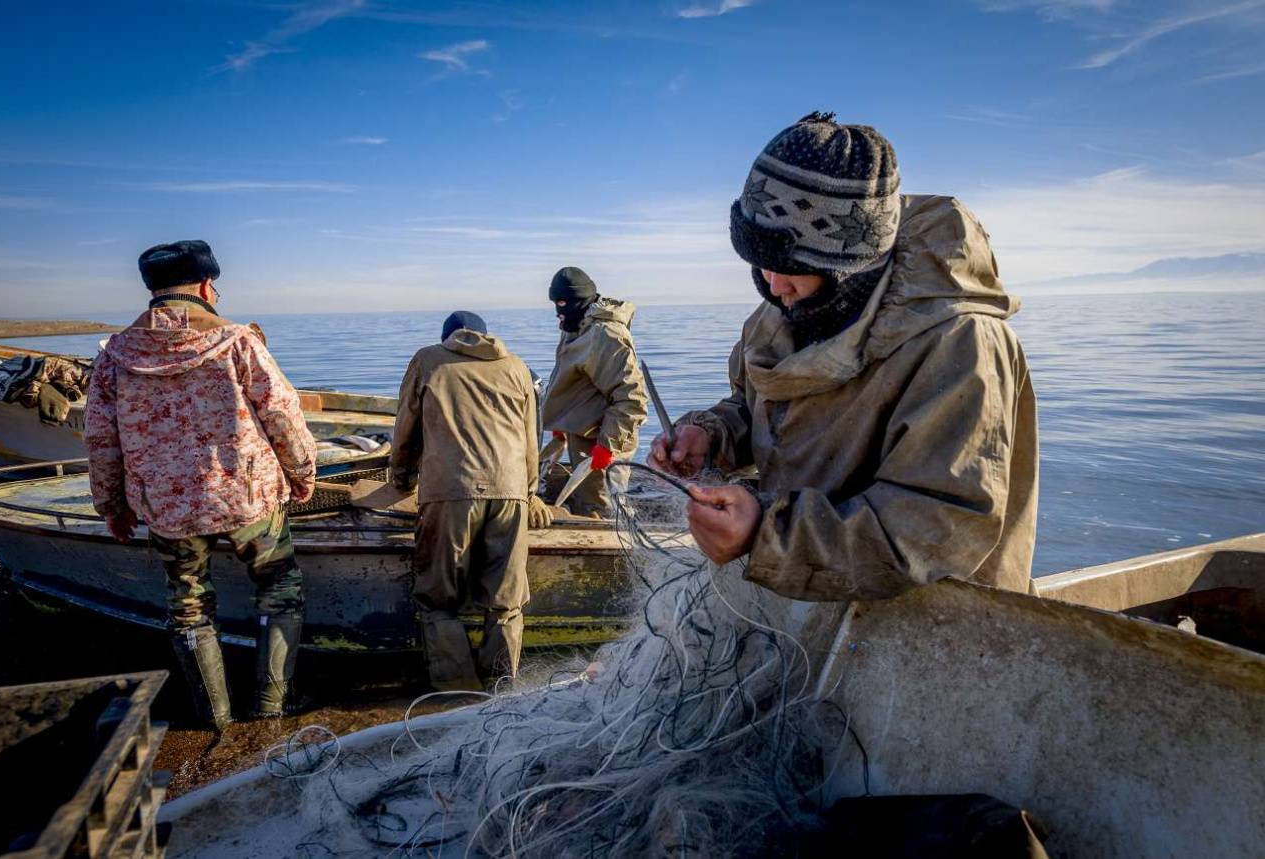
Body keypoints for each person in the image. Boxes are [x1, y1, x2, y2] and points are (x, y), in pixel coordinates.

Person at [649, 112, 1038, 598]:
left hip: (930, 635)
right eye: (760, 262)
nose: (772, 283)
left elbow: (937, 527)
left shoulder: (959, 342)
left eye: (791, 265)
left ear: (854, 260)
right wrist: (712, 436)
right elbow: (763, 412)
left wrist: (766, 533)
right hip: (804, 611)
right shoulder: (782, 311)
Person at [85, 240, 317, 730]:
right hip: (248, 500)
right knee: (280, 588)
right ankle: (272, 706)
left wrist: (112, 505)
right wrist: (302, 475)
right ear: (208, 287)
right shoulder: (237, 341)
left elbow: (100, 439)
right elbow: (282, 413)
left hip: (167, 509)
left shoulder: (114, 355)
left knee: (189, 606)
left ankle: (215, 718)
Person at [390, 311, 550, 692]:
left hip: (450, 493)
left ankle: (457, 690)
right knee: (506, 601)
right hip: (510, 492)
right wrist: (530, 493)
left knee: (437, 599)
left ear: (448, 337)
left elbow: (406, 428)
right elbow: (531, 440)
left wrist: (401, 479)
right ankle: (500, 687)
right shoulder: (517, 367)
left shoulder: (428, 360)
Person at [540, 267, 649, 517]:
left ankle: (616, 554)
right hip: (583, 436)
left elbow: (632, 399)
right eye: (555, 303)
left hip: (605, 442)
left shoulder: (605, 334)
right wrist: (562, 418)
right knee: (587, 503)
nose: (558, 311)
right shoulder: (575, 326)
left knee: (604, 508)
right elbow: (576, 380)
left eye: (563, 303)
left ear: (580, 300)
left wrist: (608, 445)